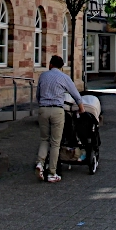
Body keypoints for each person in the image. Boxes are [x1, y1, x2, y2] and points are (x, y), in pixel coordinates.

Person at [35, 55, 85, 183]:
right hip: (57, 110)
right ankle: (52, 172)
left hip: (43, 109)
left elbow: (38, 95)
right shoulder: (64, 77)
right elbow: (75, 94)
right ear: (61, 67)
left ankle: (40, 163)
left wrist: (42, 104)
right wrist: (81, 108)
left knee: (44, 139)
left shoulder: (43, 76)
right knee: (55, 143)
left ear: (50, 64)